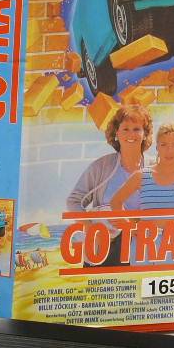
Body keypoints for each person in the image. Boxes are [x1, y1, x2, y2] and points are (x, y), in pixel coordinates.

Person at [66, 104, 153, 266]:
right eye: (125, 129)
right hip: (103, 246)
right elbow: (73, 201)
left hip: (139, 248)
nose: (131, 134)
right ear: (116, 133)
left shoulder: (155, 168)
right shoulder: (102, 166)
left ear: (145, 134)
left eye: (137, 129)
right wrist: (91, 229)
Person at [110, 123, 174, 212]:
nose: (169, 150)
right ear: (157, 146)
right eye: (163, 144)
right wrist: (129, 225)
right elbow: (115, 202)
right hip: (147, 229)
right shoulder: (141, 176)